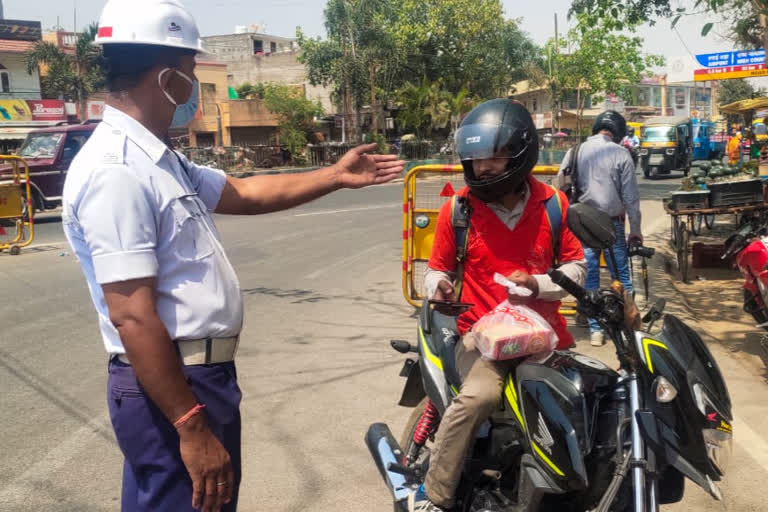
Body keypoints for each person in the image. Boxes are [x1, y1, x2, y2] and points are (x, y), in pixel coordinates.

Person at [61, 1, 404, 511]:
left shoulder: (160, 159)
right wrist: (191, 425)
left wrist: (334, 175)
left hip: (195, 379)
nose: (195, 85)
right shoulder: (118, 170)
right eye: (193, 71)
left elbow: (242, 193)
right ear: (167, 77)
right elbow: (132, 314)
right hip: (175, 385)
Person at [408, 99, 587, 512]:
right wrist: (441, 288)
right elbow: (436, 270)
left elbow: (577, 270)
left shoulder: (554, 205)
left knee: (580, 404)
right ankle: (434, 494)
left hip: (545, 339)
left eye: (494, 157)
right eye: (476, 159)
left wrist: (538, 284)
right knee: (478, 399)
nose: (483, 168)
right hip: (484, 340)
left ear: (520, 153)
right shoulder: (459, 209)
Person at [557, 110, 642, 347]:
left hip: (581, 224)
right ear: (618, 132)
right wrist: (635, 230)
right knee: (620, 276)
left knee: (589, 275)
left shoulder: (574, 151)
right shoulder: (621, 153)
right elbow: (631, 199)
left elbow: (559, 185)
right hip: (612, 223)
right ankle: (626, 326)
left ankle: (596, 330)